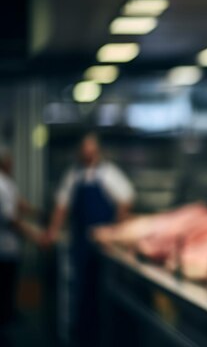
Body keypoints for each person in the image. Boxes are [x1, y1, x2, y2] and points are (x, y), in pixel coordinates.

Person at [44, 133, 135, 344]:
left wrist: (115, 229)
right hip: (80, 244)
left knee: (99, 291)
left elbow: (126, 199)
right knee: (79, 290)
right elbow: (61, 206)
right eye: (85, 150)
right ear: (80, 152)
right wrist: (53, 231)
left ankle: (98, 335)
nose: (88, 154)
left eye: (92, 150)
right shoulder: (72, 175)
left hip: (103, 245)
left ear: (98, 151)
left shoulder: (109, 173)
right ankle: (80, 335)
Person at [0, 147, 43, 326]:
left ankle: (9, 313)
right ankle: (4, 318)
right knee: (4, 283)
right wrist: (34, 234)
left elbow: (18, 202)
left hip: (11, 246)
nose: (13, 165)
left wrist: (37, 213)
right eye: (10, 161)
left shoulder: (8, 182)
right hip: (3, 246)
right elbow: (11, 219)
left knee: (10, 282)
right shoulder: (0, 186)